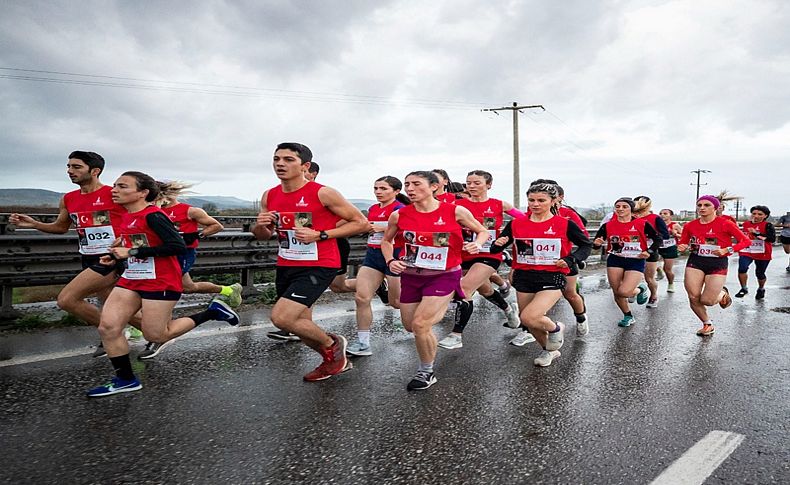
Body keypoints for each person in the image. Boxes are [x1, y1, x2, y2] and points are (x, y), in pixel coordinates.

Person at [86, 171, 240, 397]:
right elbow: (135, 244)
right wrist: (117, 256)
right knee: (108, 327)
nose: (114, 190)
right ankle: (125, 379)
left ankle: (212, 312)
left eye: (122, 186)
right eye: (115, 185)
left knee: (157, 335)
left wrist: (133, 251)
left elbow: (176, 246)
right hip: (132, 278)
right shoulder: (128, 215)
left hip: (160, 281)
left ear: (143, 193)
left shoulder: (154, 216)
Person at [253, 143, 368, 381]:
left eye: (288, 159)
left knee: (283, 318)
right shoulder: (269, 195)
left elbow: (360, 222)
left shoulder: (323, 193)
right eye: (276, 159)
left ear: (305, 166)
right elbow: (263, 236)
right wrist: (261, 225)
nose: (280, 164)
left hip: (320, 263)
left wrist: (321, 234)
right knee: (301, 324)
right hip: (287, 263)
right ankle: (334, 361)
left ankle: (333, 344)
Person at [9, 151, 131, 357]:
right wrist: (33, 223)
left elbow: (141, 218)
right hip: (89, 256)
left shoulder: (114, 195)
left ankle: (115, 333)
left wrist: (125, 241)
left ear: (95, 171)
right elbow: (60, 227)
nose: (70, 171)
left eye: (76, 167)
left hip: (113, 257)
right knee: (109, 302)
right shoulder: (68, 199)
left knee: (67, 300)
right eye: (68, 167)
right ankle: (156, 331)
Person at [381, 171, 487, 390]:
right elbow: (386, 241)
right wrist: (391, 260)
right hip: (411, 276)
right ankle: (437, 312)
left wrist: (477, 244)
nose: (410, 189)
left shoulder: (455, 210)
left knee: (421, 324)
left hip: (444, 276)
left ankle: (426, 372)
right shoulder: (399, 215)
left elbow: (482, 231)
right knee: (411, 326)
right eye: (407, 184)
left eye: (416, 184)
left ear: (433, 187)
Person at [134, 180, 244, 359]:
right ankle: (228, 290)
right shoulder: (152, 211)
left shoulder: (190, 211)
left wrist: (197, 234)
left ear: (171, 194)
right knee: (188, 287)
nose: (161, 198)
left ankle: (158, 333)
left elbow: (216, 225)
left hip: (184, 253)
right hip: (162, 255)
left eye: (164, 195)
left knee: (167, 288)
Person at [490, 183, 591, 366]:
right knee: (529, 322)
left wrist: (570, 259)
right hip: (524, 276)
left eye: (541, 200)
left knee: (530, 316)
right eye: (531, 200)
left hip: (552, 276)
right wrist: (498, 244)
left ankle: (556, 328)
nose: (535, 204)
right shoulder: (516, 224)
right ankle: (548, 351)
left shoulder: (564, 224)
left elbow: (586, 245)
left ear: (553, 201)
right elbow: (496, 247)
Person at [436, 170, 522, 350]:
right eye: (469, 183)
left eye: (477, 183)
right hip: (463, 255)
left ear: (489, 185)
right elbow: (440, 222)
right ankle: (508, 310)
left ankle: (456, 335)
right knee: (485, 289)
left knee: (465, 288)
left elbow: (524, 220)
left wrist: (507, 239)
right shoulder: (457, 205)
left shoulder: (500, 205)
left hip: (489, 254)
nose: (472, 186)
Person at [346, 176, 409, 356]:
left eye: (383, 188)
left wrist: (384, 229)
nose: (378, 192)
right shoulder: (373, 208)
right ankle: (363, 343)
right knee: (361, 297)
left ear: (396, 191)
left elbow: (410, 232)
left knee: (395, 303)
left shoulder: (400, 209)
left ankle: (423, 313)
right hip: (373, 256)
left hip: (395, 256)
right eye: (376, 188)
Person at [677, 195, 750, 336]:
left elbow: (745, 241)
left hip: (717, 263)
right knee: (693, 297)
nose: (702, 208)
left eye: (706, 205)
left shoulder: (725, 224)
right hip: (696, 261)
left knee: (708, 301)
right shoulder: (690, 225)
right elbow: (684, 242)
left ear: (715, 208)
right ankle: (707, 324)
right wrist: (682, 246)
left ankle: (722, 293)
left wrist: (727, 250)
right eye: (699, 205)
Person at [592, 197, 660, 327]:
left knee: (624, 292)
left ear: (631, 209)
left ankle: (640, 289)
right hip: (615, 259)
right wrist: (596, 244)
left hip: (635, 260)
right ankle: (628, 315)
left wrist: (649, 251)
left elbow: (658, 239)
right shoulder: (608, 225)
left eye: (624, 207)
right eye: (617, 206)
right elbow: (596, 243)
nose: (620, 209)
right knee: (617, 292)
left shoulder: (642, 223)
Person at [633, 196, 670, 308]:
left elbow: (665, 235)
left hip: (650, 250)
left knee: (649, 277)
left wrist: (649, 235)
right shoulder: (630, 217)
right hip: (632, 250)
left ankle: (653, 296)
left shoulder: (655, 218)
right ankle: (634, 291)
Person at [735, 205, 775, 300]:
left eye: (759, 214)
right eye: (754, 213)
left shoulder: (768, 225)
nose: (756, 216)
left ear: (765, 216)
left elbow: (772, 239)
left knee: (760, 273)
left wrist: (757, 234)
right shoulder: (745, 224)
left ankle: (761, 289)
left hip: (763, 252)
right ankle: (744, 288)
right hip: (747, 251)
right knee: (742, 268)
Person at [657, 209, 682, 293]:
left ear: (670, 215)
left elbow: (684, 237)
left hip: (670, 247)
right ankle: (658, 270)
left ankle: (670, 284)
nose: (662, 215)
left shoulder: (675, 225)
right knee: (650, 262)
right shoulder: (656, 224)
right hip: (658, 246)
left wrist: (675, 234)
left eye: (665, 213)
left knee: (667, 269)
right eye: (660, 213)